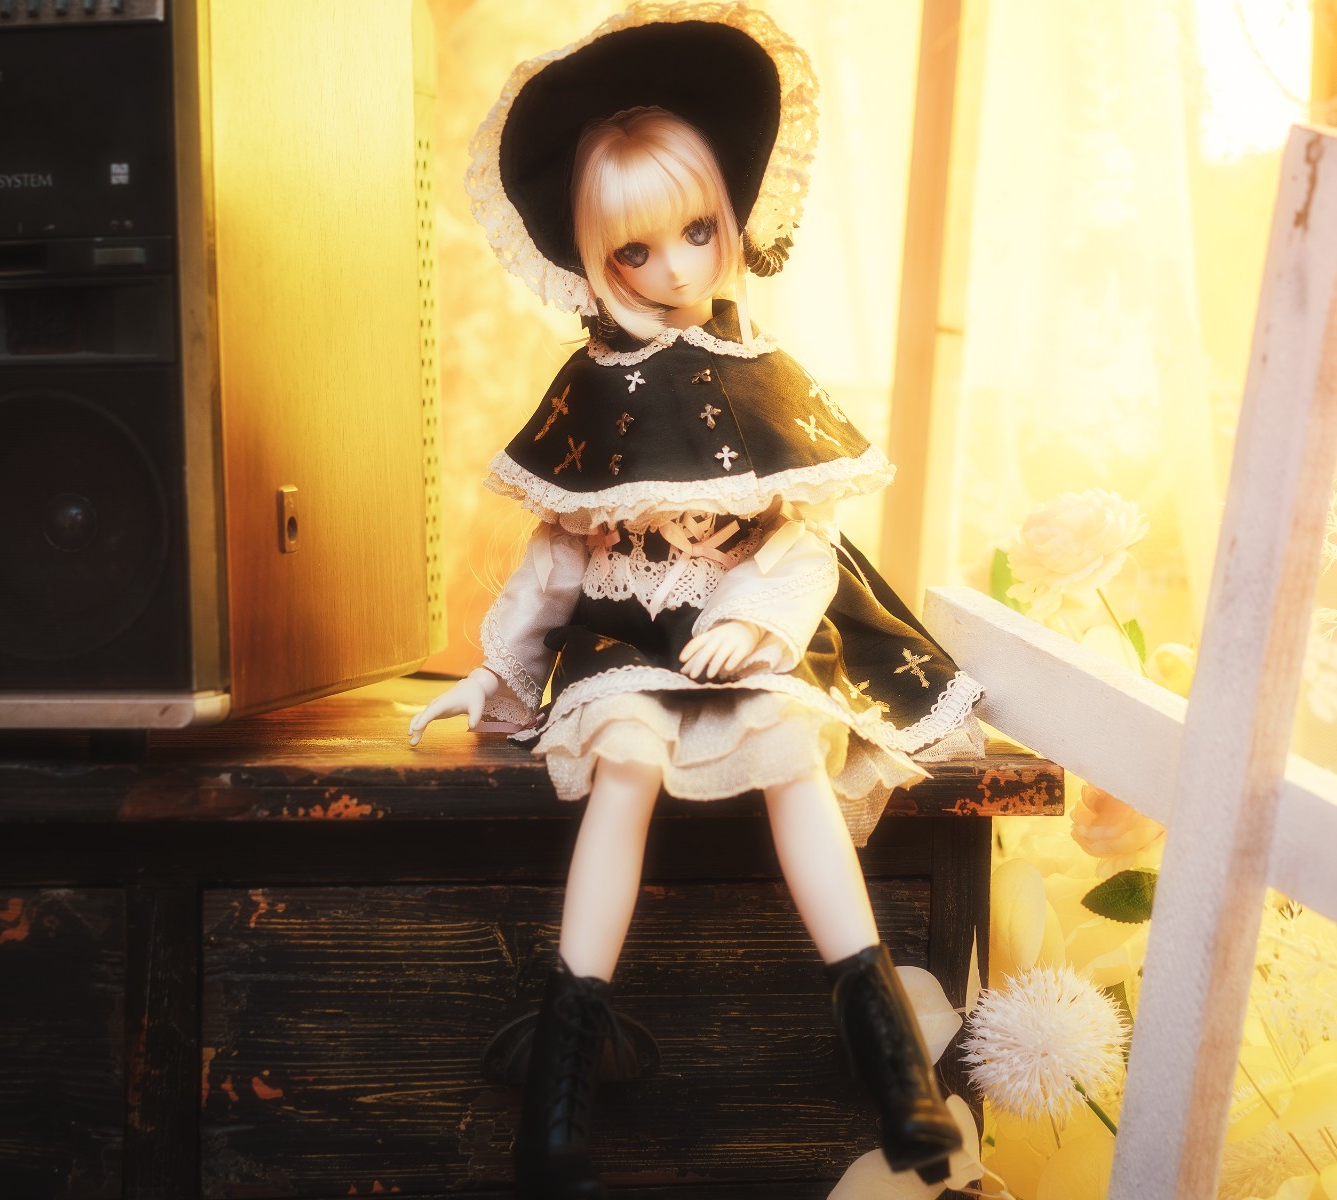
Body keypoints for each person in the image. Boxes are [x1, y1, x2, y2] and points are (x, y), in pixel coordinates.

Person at [408, 6, 984, 1193]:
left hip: (747, 634)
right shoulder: (588, 389)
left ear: (731, 219)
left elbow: (807, 540)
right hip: (625, 641)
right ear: (590, 258)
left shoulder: (761, 374)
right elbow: (559, 557)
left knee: (792, 760)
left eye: (696, 232)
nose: (672, 270)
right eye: (634, 253)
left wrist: (755, 619)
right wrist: (501, 667)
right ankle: (561, 1083)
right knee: (623, 765)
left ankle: (894, 1069)